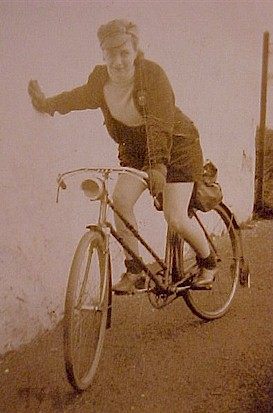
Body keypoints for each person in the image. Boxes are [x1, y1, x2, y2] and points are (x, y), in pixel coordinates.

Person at [28, 18, 217, 294]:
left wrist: (159, 167)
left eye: (124, 53)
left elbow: (160, 124)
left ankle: (208, 262)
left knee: (174, 217)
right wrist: (47, 103)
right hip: (141, 153)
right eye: (110, 54)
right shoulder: (100, 81)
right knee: (121, 201)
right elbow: (77, 97)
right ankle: (136, 271)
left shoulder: (152, 76)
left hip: (177, 148)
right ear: (103, 54)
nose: (117, 61)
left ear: (135, 50)